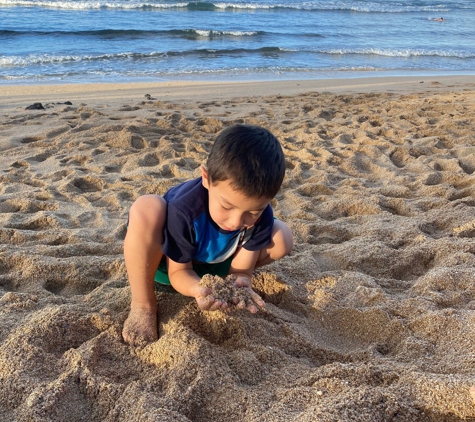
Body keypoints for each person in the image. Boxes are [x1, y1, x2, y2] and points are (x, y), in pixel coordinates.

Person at [122, 124, 294, 346]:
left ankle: (214, 280)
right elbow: (179, 271)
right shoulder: (185, 210)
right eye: (226, 206)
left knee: (283, 237)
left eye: (252, 212)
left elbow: (241, 269)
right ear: (206, 178)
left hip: (215, 264)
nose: (236, 222)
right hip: (165, 263)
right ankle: (143, 304)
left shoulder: (262, 217)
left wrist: (239, 282)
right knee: (147, 207)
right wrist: (196, 289)